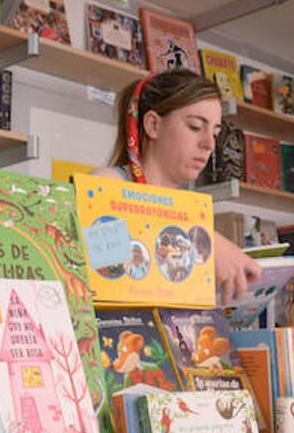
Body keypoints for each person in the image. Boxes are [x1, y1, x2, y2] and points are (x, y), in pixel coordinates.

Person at [93, 70, 261, 301]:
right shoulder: (106, 184)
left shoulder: (191, 211)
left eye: (215, 132)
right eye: (194, 126)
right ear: (153, 125)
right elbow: (107, 272)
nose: (209, 144)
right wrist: (206, 244)